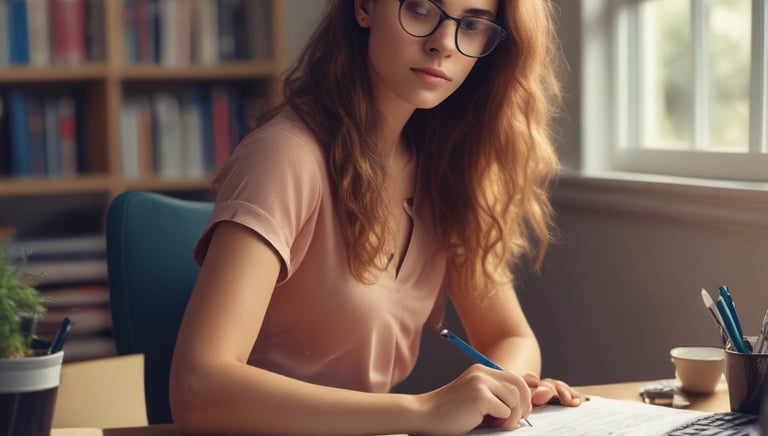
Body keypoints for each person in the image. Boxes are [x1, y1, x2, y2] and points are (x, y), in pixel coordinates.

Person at [169, 0, 584, 434]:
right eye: (421, 9)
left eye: (474, 23)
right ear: (365, 7)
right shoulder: (286, 157)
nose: (444, 44)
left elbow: (510, 336)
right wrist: (422, 412)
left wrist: (506, 390)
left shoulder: (445, 172)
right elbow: (199, 388)